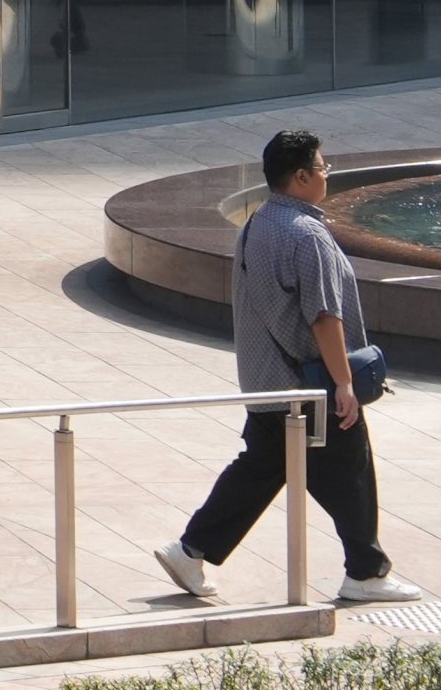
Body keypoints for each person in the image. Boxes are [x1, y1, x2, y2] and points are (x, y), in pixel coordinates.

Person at [153, 130, 423, 607]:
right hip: (307, 388)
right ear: (301, 176)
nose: (325, 175)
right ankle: (365, 572)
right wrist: (343, 384)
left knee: (260, 469)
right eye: (322, 168)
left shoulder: (257, 224)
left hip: (265, 381)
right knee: (351, 470)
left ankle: (190, 550)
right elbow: (323, 316)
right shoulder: (307, 234)